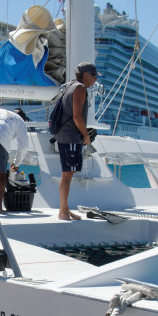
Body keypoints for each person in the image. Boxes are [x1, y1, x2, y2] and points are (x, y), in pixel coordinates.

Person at [53, 62, 98, 220]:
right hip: (71, 136)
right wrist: (86, 135)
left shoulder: (70, 86)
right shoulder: (80, 88)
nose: (95, 78)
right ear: (85, 75)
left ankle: (65, 209)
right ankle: (63, 211)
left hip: (64, 135)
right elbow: (77, 116)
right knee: (67, 174)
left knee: (67, 173)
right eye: (94, 75)